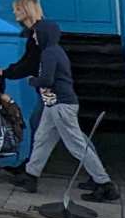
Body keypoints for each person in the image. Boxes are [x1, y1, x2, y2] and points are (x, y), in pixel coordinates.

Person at [12, 16, 118, 201]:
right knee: (42, 139)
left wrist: (32, 81)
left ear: (44, 35)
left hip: (61, 104)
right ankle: (31, 176)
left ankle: (104, 184)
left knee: (76, 145)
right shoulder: (54, 51)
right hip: (53, 103)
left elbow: (47, 80)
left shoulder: (49, 53)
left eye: (36, 34)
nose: (34, 37)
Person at [0, 0, 48, 175]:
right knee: (38, 125)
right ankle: (30, 169)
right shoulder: (35, 32)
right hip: (47, 90)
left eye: (17, 9)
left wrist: (6, 73)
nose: (14, 12)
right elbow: (27, 61)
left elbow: (30, 63)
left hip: (53, 91)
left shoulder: (39, 33)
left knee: (72, 136)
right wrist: (7, 71)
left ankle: (100, 178)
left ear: (26, 11)